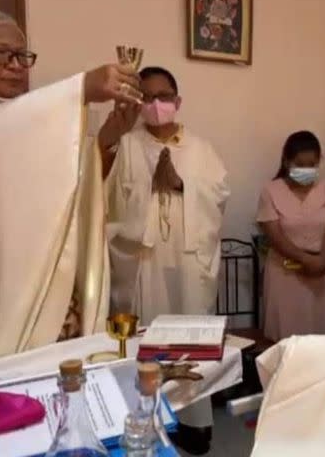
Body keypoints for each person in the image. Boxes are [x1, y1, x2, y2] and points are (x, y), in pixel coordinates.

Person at [0, 9, 144, 390]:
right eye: (4, 55)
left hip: (51, 283)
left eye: (23, 56)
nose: (18, 66)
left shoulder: (27, 117)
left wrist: (107, 139)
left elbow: (66, 187)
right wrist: (80, 88)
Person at [104, 66, 229, 455]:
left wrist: (181, 185)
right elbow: (107, 199)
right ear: (139, 103)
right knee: (149, 342)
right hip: (144, 261)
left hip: (189, 263)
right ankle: (146, 419)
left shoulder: (201, 148)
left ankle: (193, 423)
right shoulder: (125, 145)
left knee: (189, 339)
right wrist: (146, 189)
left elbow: (220, 194)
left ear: (178, 100)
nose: (158, 104)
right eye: (148, 96)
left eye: (165, 95)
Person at [256, 131, 325, 342]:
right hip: (285, 274)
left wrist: (321, 261)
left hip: (324, 273)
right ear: (287, 161)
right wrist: (306, 260)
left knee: (324, 339)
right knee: (286, 339)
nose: (306, 170)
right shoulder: (271, 191)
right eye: (300, 164)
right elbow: (274, 235)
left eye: (312, 164)